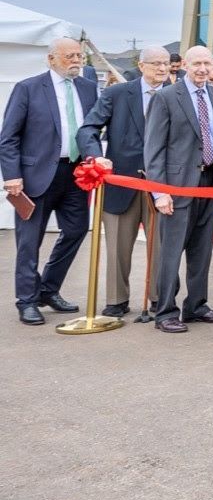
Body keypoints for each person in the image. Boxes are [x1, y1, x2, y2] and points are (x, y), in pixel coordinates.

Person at [0, 37, 97, 325]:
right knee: (30, 242)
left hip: (75, 175)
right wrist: (12, 176)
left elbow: (90, 130)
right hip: (35, 177)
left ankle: (48, 289)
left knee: (77, 230)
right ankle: (26, 301)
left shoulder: (88, 88)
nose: (76, 61)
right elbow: (8, 138)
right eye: (69, 56)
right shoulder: (28, 88)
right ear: (51, 59)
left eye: (79, 56)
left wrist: (96, 157)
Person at [76, 44, 168, 318]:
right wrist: (95, 157)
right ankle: (117, 300)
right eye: (155, 63)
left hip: (162, 186)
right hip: (121, 183)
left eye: (166, 63)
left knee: (162, 247)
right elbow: (88, 129)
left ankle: (159, 299)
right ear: (141, 66)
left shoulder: (175, 95)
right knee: (117, 246)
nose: (162, 69)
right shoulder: (116, 93)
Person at [144, 45, 213, 332]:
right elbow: (153, 149)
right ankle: (166, 311)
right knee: (171, 252)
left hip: (210, 185)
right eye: (197, 64)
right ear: (183, 66)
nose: (203, 69)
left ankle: (196, 306)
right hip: (177, 187)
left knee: (202, 250)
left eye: (207, 63)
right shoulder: (166, 97)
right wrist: (159, 192)